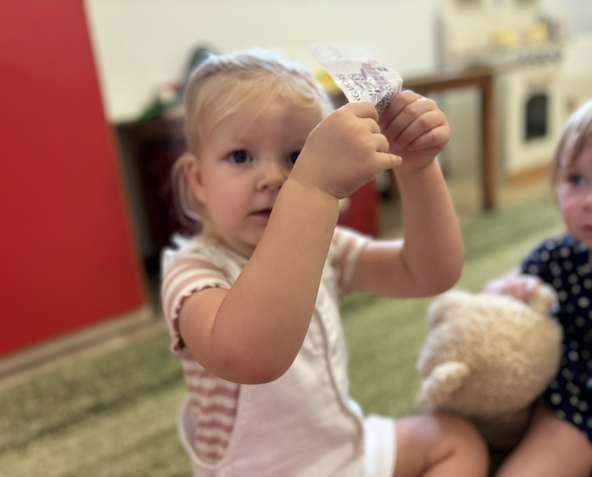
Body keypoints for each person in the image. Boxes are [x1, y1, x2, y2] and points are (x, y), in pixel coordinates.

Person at [161, 48, 488, 477]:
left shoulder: (326, 247)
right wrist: (310, 186)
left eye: (297, 157)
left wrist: (416, 166)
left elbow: (428, 272)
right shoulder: (191, 272)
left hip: (344, 450)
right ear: (199, 180)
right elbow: (251, 357)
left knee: (456, 440)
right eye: (241, 156)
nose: (273, 179)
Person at [482, 99, 592, 477]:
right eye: (576, 180)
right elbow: (490, 297)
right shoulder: (557, 256)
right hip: (573, 404)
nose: (588, 201)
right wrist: (510, 289)